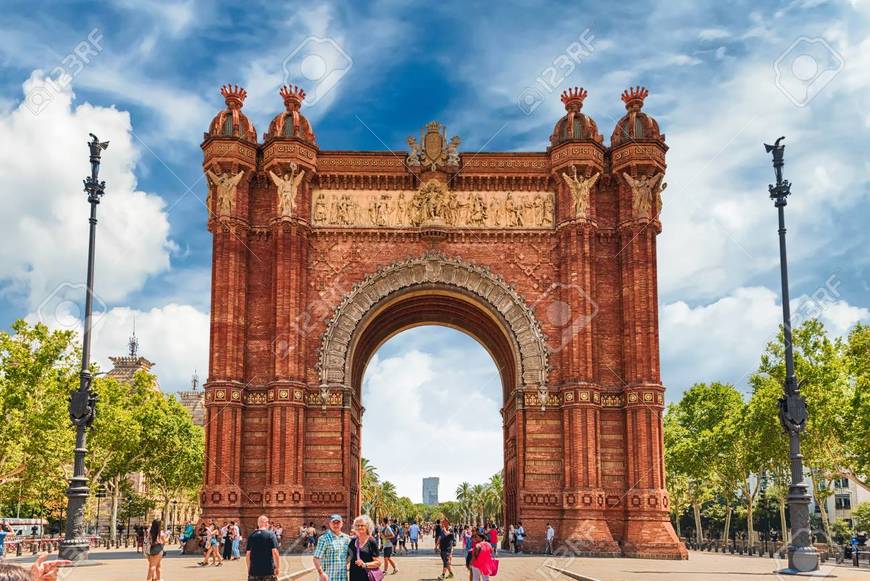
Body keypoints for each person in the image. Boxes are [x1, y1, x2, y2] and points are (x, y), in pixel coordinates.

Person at [313, 514, 351, 581]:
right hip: (328, 578)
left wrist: (345, 563)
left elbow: (349, 555)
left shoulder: (347, 538)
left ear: (342, 524)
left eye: (338, 522)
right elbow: (316, 558)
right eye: (333, 522)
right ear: (330, 524)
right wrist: (321, 573)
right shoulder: (323, 539)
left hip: (342, 577)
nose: (336, 525)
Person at [246, 514, 280, 581]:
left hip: (254, 572)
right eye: (268, 522)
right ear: (265, 523)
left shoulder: (251, 536)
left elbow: (248, 554)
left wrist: (249, 569)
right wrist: (277, 568)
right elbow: (275, 552)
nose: (268, 524)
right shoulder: (271, 535)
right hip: (268, 571)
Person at [349, 515, 381, 581]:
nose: (359, 527)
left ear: (367, 527)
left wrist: (365, 564)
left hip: (367, 577)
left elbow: (378, 563)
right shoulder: (352, 541)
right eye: (357, 525)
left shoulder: (371, 541)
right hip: (354, 576)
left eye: (362, 525)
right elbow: (348, 558)